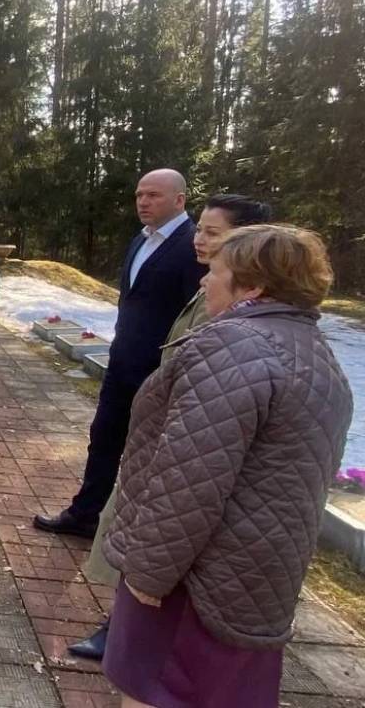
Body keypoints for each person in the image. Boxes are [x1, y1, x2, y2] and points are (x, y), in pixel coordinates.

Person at [100, 225, 353, 708]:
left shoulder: (231, 347)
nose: (202, 282)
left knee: (157, 694)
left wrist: (147, 575)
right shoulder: (317, 355)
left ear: (253, 286)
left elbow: (188, 479)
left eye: (215, 271)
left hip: (194, 579)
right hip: (259, 578)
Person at [68, 193, 273, 661]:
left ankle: (128, 632)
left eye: (213, 233)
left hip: (187, 441)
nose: (198, 240)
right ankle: (126, 625)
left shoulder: (240, 310)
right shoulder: (212, 286)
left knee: (157, 540)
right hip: (167, 423)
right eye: (199, 229)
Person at [35, 169, 204, 537]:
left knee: (149, 452)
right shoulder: (140, 240)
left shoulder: (193, 248)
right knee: (104, 437)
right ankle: (85, 514)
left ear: (179, 200)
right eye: (140, 194)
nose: (143, 202)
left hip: (160, 369)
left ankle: (137, 528)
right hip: (122, 362)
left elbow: (196, 315)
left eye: (154, 195)